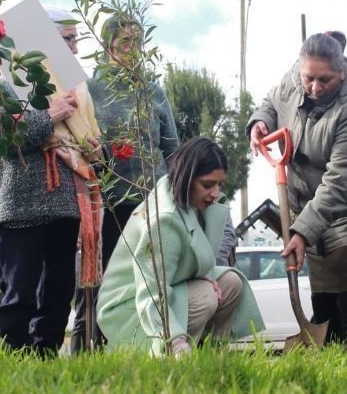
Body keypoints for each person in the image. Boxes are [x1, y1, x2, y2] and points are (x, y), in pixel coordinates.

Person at [248, 33, 347, 349]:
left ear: (341, 73)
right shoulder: (294, 78)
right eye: (308, 78)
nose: (314, 87)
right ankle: (328, 351)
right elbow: (273, 101)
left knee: (346, 263)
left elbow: (339, 183)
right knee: (324, 276)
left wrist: (301, 232)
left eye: (324, 79)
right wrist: (260, 121)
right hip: (311, 199)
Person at [0, 8, 100, 357]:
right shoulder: (7, 83)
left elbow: (87, 141)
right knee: (21, 288)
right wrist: (48, 116)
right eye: (67, 40)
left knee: (59, 287)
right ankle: (15, 358)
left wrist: (94, 146)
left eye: (76, 40)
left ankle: (45, 356)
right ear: (42, 43)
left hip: (64, 203)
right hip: (19, 204)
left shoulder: (79, 93)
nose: (74, 50)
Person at [70, 16, 180, 353]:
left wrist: (177, 197)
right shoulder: (89, 90)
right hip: (106, 204)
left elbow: (172, 149)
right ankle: (87, 354)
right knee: (97, 284)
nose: (132, 51)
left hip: (150, 206)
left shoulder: (154, 92)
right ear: (106, 47)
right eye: (125, 43)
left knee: (149, 282)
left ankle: (146, 352)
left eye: (138, 43)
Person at [96, 137, 263, 355]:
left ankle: (213, 357)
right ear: (188, 177)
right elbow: (151, 290)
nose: (216, 193)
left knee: (231, 282)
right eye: (207, 184)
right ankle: (175, 357)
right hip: (129, 307)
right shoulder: (164, 220)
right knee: (206, 296)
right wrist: (175, 340)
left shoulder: (189, 202)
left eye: (219, 184)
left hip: (169, 290)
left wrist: (206, 275)